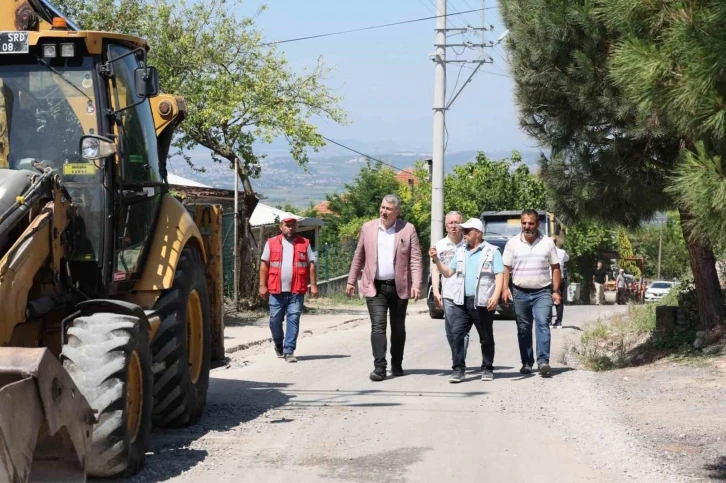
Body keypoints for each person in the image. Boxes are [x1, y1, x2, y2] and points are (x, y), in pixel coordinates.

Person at [346, 194, 423, 381]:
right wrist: (351, 280)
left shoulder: (408, 229)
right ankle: (379, 367)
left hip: (399, 287)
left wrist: (417, 285)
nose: (384, 211)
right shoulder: (368, 228)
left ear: (397, 212)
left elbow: (416, 259)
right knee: (378, 326)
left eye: (388, 209)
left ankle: (397, 363)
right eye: (382, 207)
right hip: (375, 287)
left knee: (398, 328)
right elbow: (359, 256)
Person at [429, 218, 504, 383]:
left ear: (477, 232)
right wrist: (436, 260)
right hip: (461, 302)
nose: (463, 234)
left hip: (482, 302)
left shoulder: (492, 251)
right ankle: (458, 370)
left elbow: (499, 274)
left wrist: (496, 295)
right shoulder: (461, 251)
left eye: (467, 231)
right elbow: (448, 272)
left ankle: (487, 368)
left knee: (485, 336)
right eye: (463, 231)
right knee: (457, 335)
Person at [502, 210, 562, 377]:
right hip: (520, 292)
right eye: (524, 223)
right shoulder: (512, 243)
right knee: (523, 328)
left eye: (530, 223)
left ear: (538, 224)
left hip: (542, 292)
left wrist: (556, 291)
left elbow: (555, 268)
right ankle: (527, 362)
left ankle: (543, 362)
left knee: (543, 323)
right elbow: (506, 268)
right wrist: (505, 289)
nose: (527, 226)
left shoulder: (548, 243)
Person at [259, 217, 319, 362]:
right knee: (274, 320)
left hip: (296, 290)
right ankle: (279, 344)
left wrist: (314, 285)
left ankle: (289, 350)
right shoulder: (271, 243)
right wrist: (262, 285)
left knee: (294, 319)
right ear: (281, 227)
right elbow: (264, 265)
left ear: (296, 227)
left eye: (293, 225)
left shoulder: (304, 243)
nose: (290, 228)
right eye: (287, 225)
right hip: (276, 290)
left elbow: (311, 265)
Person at [431, 211, 471, 362]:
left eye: (456, 223)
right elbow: (435, 270)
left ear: (462, 225)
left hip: (466, 293)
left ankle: (459, 361)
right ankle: (458, 357)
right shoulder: (440, 245)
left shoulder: (469, 244)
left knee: (462, 330)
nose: (454, 226)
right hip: (448, 294)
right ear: (446, 226)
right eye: (450, 223)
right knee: (450, 331)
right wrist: (436, 291)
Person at [551, 238, 569, 328]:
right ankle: (558, 322)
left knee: (547, 301)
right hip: (561, 278)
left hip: (550, 279)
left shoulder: (547, 252)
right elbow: (567, 259)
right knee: (560, 300)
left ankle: (549, 321)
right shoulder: (562, 252)